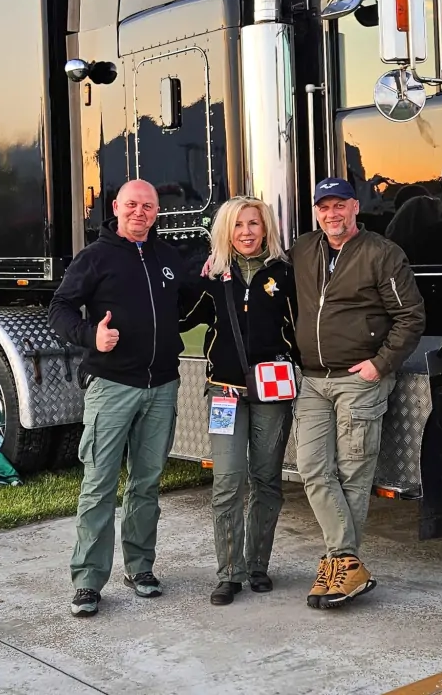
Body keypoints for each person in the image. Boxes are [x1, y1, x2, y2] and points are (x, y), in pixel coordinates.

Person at [48, 179, 197, 618]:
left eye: (148, 206)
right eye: (131, 205)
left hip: (162, 387)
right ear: (115, 207)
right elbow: (60, 307)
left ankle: (140, 568)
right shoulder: (95, 257)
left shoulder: (167, 256)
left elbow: (187, 304)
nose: (140, 212)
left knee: (146, 484)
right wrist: (90, 336)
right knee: (99, 486)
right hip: (112, 386)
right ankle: (89, 581)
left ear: (156, 212)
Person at [290, 177, 426, 609]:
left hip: (359, 379)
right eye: (324, 207)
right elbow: (257, 263)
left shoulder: (382, 253)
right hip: (312, 378)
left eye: (340, 206)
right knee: (313, 468)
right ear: (316, 212)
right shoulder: (303, 249)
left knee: (352, 473)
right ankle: (346, 563)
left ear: (355, 208)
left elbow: (410, 317)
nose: (332, 214)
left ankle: (339, 566)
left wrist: (379, 365)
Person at [181, 197, 297, 606]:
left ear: (266, 228)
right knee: (228, 480)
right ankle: (228, 573)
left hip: (272, 393)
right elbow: (178, 318)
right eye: (238, 225)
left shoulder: (285, 273)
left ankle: (257, 566)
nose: (247, 232)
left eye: (254, 223)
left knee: (267, 480)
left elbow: (301, 331)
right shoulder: (213, 275)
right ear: (226, 231)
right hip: (225, 392)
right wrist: (194, 277)